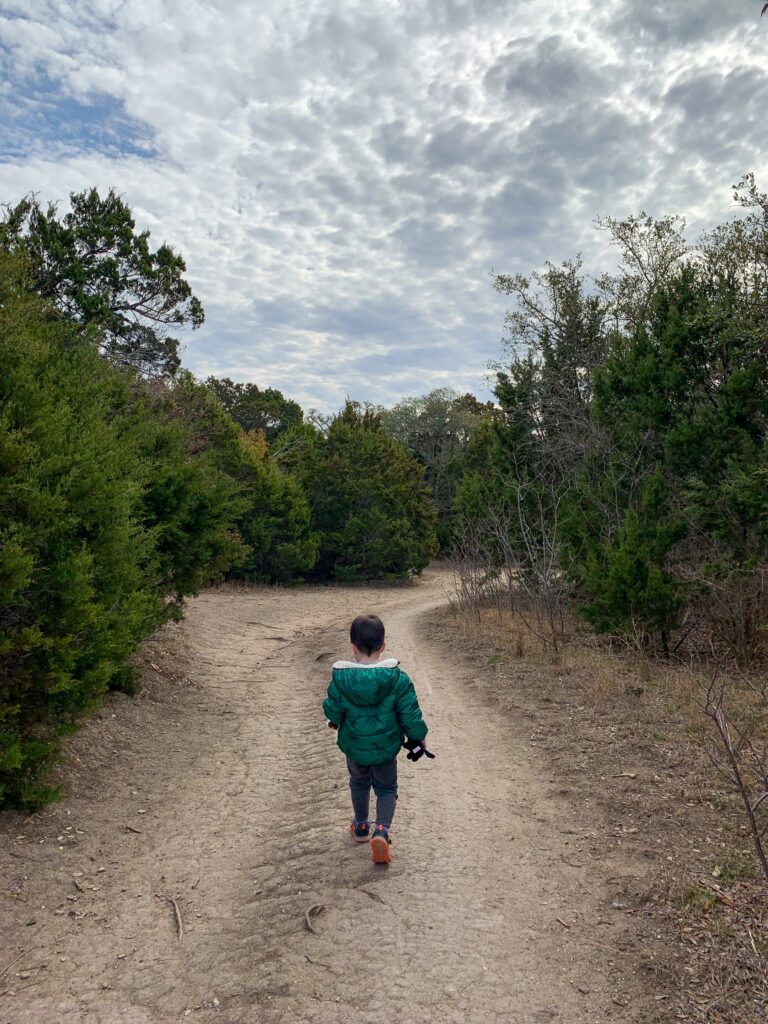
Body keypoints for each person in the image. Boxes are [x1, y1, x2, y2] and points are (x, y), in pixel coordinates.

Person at [323, 613, 430, 864]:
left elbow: (332, 709)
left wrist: (334, 720)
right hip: (385, 749)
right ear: (383, 646)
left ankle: (361, 827)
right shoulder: (397, 679)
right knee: (386, 788)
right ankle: (381, 831)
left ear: (353, 646)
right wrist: (419, 737)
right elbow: (410, 713)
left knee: (358, 783)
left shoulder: (341, 680)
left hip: (355, 747)